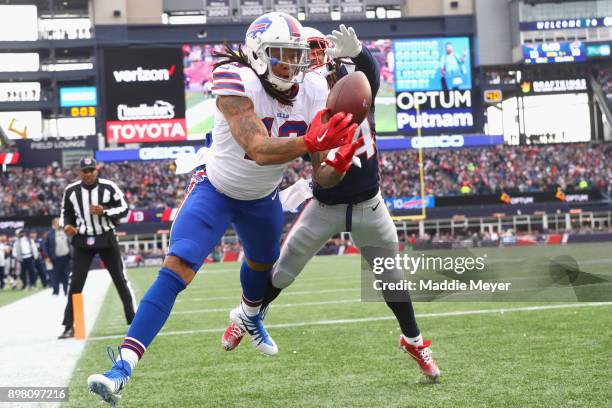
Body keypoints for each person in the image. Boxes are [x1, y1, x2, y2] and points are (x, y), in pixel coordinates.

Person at [86, 12, 359, 406]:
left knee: (264, 267)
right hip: (215, 188)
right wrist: (313, 142)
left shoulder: (315, 88)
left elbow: (323, 178)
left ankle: (250, 316)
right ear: (260, 54)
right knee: (178, 266)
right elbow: (259, 149)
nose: (293, 64)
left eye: (297, 54)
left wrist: (339, 162)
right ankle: (122, 367)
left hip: (262, 198)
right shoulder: (236, 77)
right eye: (283, 54)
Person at [222, 24, 440, 380]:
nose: (319, 54)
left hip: (370, 203)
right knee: (283, 272)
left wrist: (362, 54)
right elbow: (317, 166)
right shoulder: (302, 96)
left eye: (322, 47)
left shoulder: (350, 81)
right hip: (325, 205)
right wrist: (324, 173)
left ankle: (414, 340)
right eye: (311, 48)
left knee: (391, 277)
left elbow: (369, 78)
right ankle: (246, 317)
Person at [58, 157, 136, 340]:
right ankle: (70, 326)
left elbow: (125, 209)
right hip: (83, 240)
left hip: (106, 237)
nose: (88, 174)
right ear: (79, 172)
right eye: (85, 171)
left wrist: (105, 211)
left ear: (96, 171)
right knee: (76, 282)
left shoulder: (109, 187)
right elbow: (65, 214)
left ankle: (133, 322)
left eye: (91, 170)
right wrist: (66, 226)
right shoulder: (71, 191)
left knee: (120, 279)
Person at [43, 217, 71, 296]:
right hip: (56, 258)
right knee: (56, 275)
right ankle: (56, 291)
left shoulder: (65, 231)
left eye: (60, 222)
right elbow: (45, 246)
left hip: (66, 256)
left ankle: (66, 291)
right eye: (58, 222)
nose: (59, 224)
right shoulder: (50, 234)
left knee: (66, 274)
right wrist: (47, 256)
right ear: (54, 224)